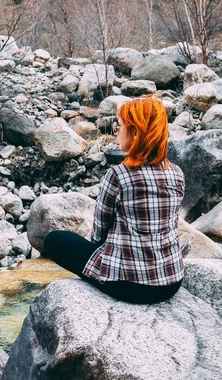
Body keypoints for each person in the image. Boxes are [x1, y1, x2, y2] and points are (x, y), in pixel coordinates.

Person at [44, 95, 185, 304]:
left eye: (120, 126)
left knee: (55, 240)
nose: (116, 131)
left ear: (136, 133)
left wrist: (100, 254)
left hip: (129, 286)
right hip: (171, 282)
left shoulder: (119, 174)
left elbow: (101, 229)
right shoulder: (176, 173)